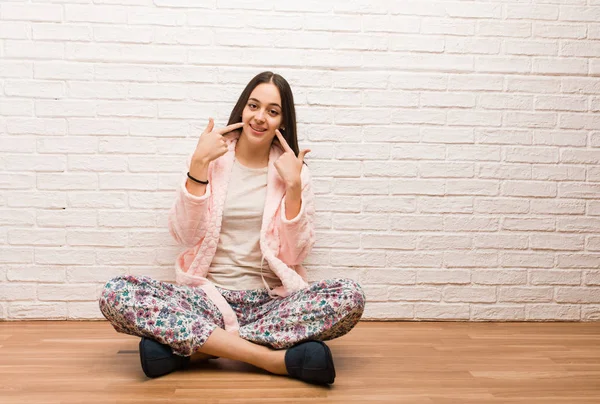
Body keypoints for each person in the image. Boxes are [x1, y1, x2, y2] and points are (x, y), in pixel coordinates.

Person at [99, 71, 365, 385]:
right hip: (205, 301)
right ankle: (269, 358)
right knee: (116, 292)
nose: (260, 117)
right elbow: (184, 235)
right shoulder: (213, 158)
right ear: (242, 109)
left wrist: (294, 188)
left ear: (283, 122)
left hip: (268, 304)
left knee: (350, 295)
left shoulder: (293, 171)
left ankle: (198, 348)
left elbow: (295, 253)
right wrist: (197, 167)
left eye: (272, 111)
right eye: (254, 106)